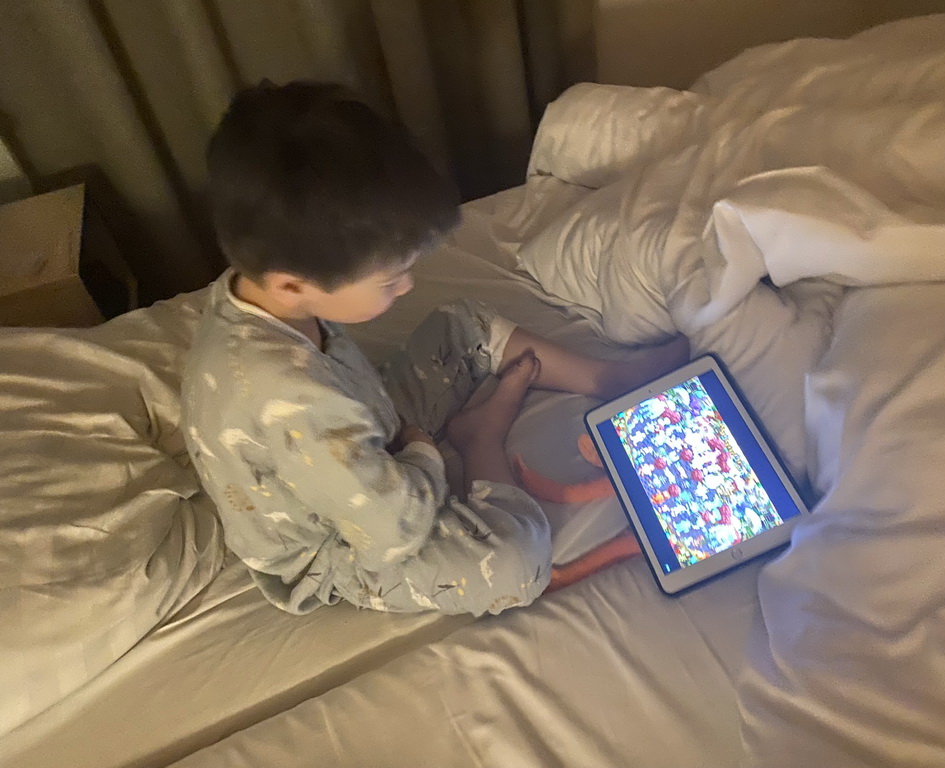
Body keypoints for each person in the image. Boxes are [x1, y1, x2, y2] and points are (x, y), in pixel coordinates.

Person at [183, 80, 689, 617]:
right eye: (389, 280)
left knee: (463, 326)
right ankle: (481, 440)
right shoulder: (292, 401)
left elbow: (337, 414)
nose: (406, 288)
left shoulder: (258, 291)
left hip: (354, 433)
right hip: (340, 540)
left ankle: (606, 379)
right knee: (516, 561)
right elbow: (391, 532)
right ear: (291, 285)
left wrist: (396, 433)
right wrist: (423, 454)